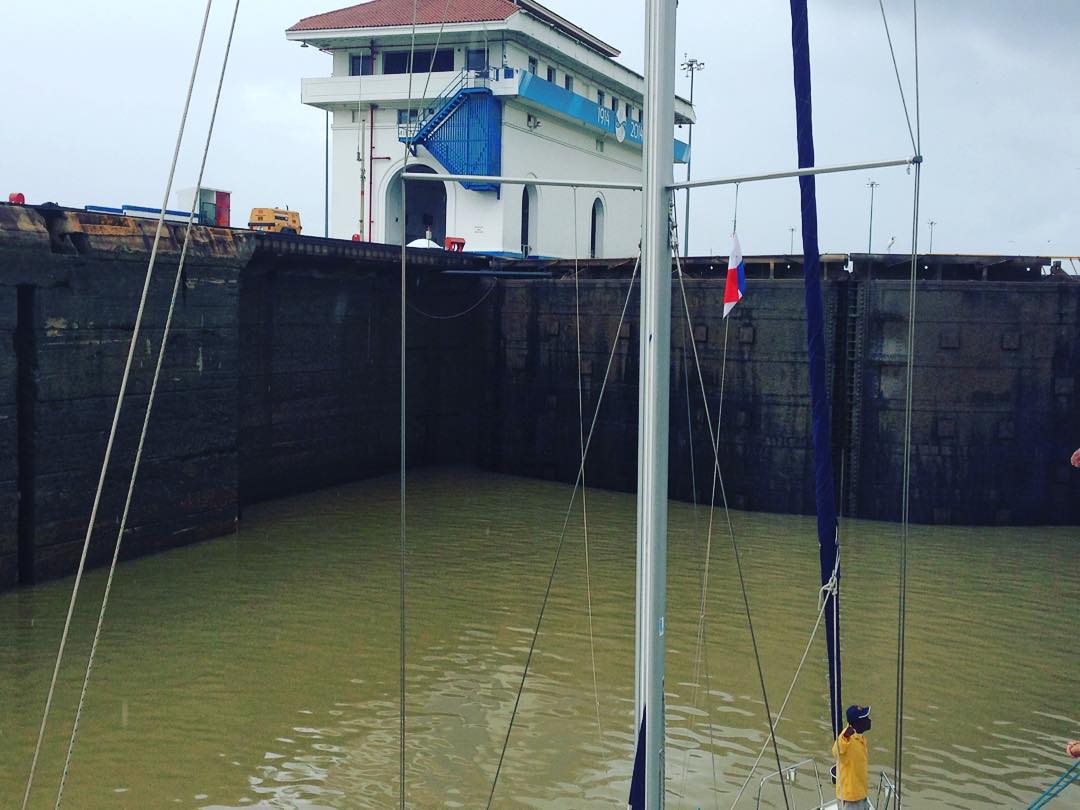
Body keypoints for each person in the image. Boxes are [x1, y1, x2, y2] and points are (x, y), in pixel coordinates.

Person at [832, 705, 872, 810]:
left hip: (861, 793)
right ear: (857, 723)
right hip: (850, 799)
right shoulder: (846, 739)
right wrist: (845, 737)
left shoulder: (859, 737)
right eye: (865, 718)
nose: (869, 720)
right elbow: (836, 751)